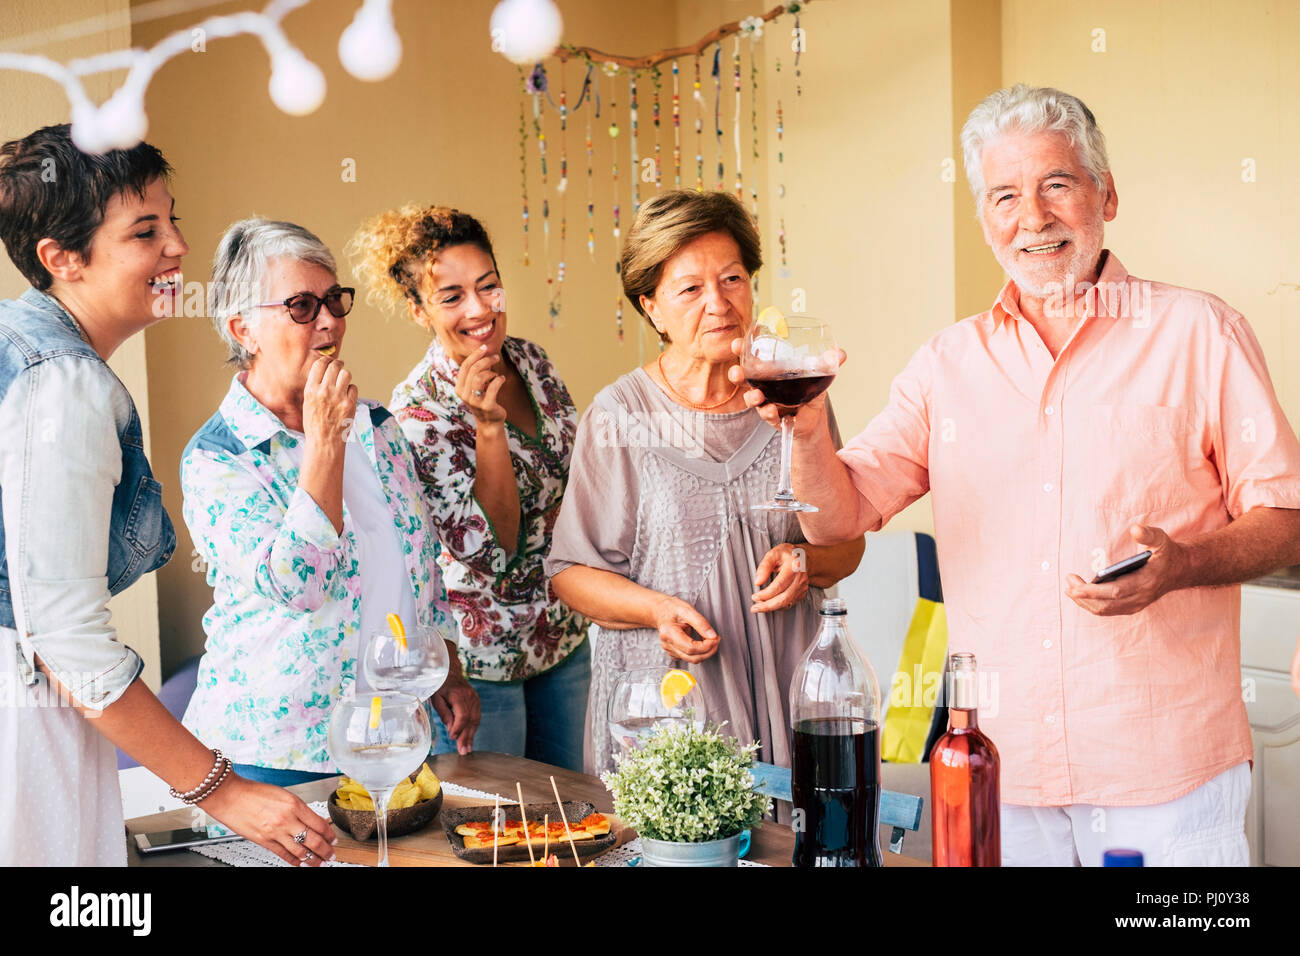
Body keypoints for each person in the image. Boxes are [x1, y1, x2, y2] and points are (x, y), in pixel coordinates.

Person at [756, 85, 1300, 866]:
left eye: (1057, 185)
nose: (1033, 217)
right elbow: (835, 519)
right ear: (985, 220)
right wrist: (805, 429)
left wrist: (1186, 565)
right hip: (997, 777)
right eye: (1005, 196)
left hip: (1166, 778)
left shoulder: (1201, 333)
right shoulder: (946, 363)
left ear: (1106, 194)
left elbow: (1286, 514)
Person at [0, 126, 335, 866]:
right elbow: (64, 637)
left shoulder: (19, 347)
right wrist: (223, 790)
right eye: (146, 230)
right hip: (24, 726)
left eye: (172, 219)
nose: (179, 246)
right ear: (62, 259)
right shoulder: (63, 382)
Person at [546, 189, 865, 775]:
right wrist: (657, 610)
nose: (719, 303)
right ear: (651, 308)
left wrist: (804, 560)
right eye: (690, 288)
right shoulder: (619, 417)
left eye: (733, 279)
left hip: (788, 685)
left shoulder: (796, 393)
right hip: (664, 706)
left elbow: (847, 544)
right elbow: (569, 572)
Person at [181, 217, 477, 784]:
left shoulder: (378, 427)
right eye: (300, 306)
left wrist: (450, 673)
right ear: (243, 328)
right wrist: (323, 443)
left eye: (334, 301)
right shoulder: (218, 458)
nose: (328, 322)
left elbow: (419, 564)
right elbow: (300, 584)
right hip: (278, 754)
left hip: (393, 736)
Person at [349, 205, 590, 770]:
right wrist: (488, 428)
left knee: (576, 814)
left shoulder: (533, 362)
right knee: (500, 831)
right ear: (419, 310)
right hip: (483, 663)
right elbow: (493, 549)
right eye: (452, 296)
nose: (480, 309)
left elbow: (576, 482)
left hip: (564, 635)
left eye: (489, 287)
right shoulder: (418, 413)